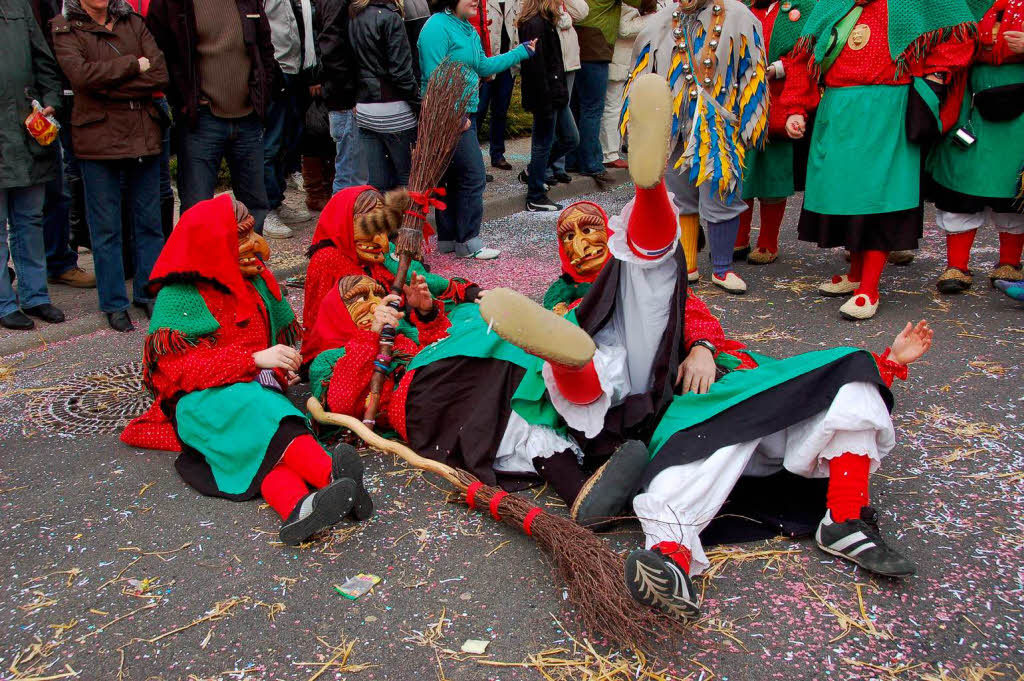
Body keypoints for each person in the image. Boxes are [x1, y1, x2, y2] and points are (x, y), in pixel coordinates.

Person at [308, 74, 689, 531]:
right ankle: (586, 474)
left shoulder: (389, 267)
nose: (372, 296)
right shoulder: (331, 342)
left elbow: (424, 310)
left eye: (380, 228)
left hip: (438, 360)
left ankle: (601, 442)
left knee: (512, 369)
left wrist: (426, 310)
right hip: (417, 392)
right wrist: (371, 340)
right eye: (360, 299)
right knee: (502, 388)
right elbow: (343, 397)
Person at [121, 196, 373, 545]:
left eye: (253, 232)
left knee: (264, 449)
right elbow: (178, 372)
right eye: (242, 237)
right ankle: (334, 475)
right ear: (213, 244)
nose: (259, 247)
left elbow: (270, 346)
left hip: (250, 396)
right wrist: (254, 360)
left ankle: (298, 509)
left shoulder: (255, 281)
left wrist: (278, 370)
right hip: (200, 404)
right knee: (267, 415)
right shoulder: (180, 296)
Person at [794, 0, 975, 320]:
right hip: (838, 108)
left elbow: (958, 34)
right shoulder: (834, 3)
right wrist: (795, 105)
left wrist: (931, 76)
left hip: (886, 106)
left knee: (880, 196)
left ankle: (870, 288)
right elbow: (805, 51)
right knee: (845, 196)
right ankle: (855, 274)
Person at [623, 0, 770, 293]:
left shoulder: (740, 17)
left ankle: (722, 268)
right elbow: (640, 78)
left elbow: (753, 70)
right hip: (675, 126)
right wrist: (637, 127)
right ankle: (688, 265)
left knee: (722, 192)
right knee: (678, 194)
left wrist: (752, 119)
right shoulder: (658, 24)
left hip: (719, 124)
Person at [52, 0, 168, 332]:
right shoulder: (65, 27)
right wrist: (134, 65)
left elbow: (159, 72)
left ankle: (148, 294)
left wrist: (109, 83)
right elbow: (82, 77)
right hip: (97, 139)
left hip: (143, 134)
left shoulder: (131, 20)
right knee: (106, 230)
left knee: (149, 223)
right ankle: (114, 303)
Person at [300, 185, 482, 365]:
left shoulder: (382, 251)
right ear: (345, 223)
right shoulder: (328, 259)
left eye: (382, 227)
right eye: (370, 228)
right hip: (364, 346)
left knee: (473, 315)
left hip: (405, 324)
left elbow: (415, 275)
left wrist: (467, 292)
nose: (383, 242)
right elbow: (328, 326)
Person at [147, 0, 278, 234]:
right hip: (202, 119)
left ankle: (252, 267)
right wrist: (185, 98)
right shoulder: (173, 4)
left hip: (248, 116)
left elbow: (265, 48)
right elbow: (161, 54)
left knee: (255, 206)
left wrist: (261, 94)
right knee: (197, 210)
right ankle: (198, 269)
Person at [417, 0, 535, 259]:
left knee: (452, 177)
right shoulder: (437, 27)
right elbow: (433, 75)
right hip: (449, 117)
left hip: (462, 114)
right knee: (473, 176)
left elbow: (482, 66)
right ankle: (469, 240)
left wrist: (520, 52)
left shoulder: (467, 28)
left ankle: (450, 240)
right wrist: (454, 117)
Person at [927, 1, 1024, 295]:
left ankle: (1010, 263)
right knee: (962, 180)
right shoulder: (966, 3)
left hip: (1020, 109)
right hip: (969, 100)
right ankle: (957, 265)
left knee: (1014, 186)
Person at [733, 0, 818, 266]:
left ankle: (768, 241)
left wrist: (778, 68)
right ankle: (738, 238)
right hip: (741, 102)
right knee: (740, 172)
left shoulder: (801, 8)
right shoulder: (742, 7)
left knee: (772, 174)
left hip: (779, 101)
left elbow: (806, 53)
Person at [0, 0, 66, 331]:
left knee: (29, 220)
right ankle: (3, 303)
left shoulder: (18, 6)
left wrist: (52, 99)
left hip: (26, 131)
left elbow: (44, 60)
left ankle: (35, 296)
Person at [31, 0, 97, 290]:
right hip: (30, 96)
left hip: (59, 98)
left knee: (59, 189)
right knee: (21, 200)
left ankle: (59, 262)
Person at [571, 0, 655, 186]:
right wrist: (654, 13)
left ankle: (573, 160)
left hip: (581, 42)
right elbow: (641, 2)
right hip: (595, 44)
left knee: (578, 105)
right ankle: (591, 163)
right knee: (593, 108)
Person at [349, 0, 420, 191]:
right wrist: (419, 103)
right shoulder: (391, 18)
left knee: (377, 184)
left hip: (364, 108)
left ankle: (382, 221)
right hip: (394, 109)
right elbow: (401, 73)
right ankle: (407, 222)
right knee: (408, 180)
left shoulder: (355, 15)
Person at [262, 0, 315, 239]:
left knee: (288, 143)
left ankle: (278, 199)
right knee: (270, 145)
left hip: (295, 68)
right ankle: (266, 209)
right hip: (275, 70)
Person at [518, 0, 578, 211]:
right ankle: (534, 194)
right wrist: (545, 100)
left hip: (554, 92)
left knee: (570, 138)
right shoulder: (535, 24)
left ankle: (534, 172)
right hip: (546, 94)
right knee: (543, 143)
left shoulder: (545, 21)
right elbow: (535, 67)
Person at [319, 0, 367, 193]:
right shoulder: (336, 3)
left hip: (348, 98)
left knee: (353, 175)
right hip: (346, 102)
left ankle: (345, 220)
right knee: (351, 179)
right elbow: (330, 47)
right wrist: (351, 96)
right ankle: (341, 222)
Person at [598, 4, 649, 169]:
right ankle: (609, 153)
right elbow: (624, 29)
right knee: (613, 107)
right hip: (618, 60)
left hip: (633, 62)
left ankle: (625, 147)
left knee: (630, 107)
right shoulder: (625, 3)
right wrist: (655, 18)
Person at [546, 0, 588, 184]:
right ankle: (544, 167)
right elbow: (558, 20)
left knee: (564, 115)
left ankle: (558, 166)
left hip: (569, 61)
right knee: (551, 117)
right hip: (552, 63)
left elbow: (582, 12)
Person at [477, 0, 522, 171]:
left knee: (500, 110)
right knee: (479, 111)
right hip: (487, 62)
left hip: (507, 63)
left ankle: (497, 154)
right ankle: (474, 161)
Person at [542, 201, 611, 313]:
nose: (579, 248)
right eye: (569, 237)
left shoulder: (626, 272)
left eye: (588, 230)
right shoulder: (569, 283)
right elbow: (553, 300)